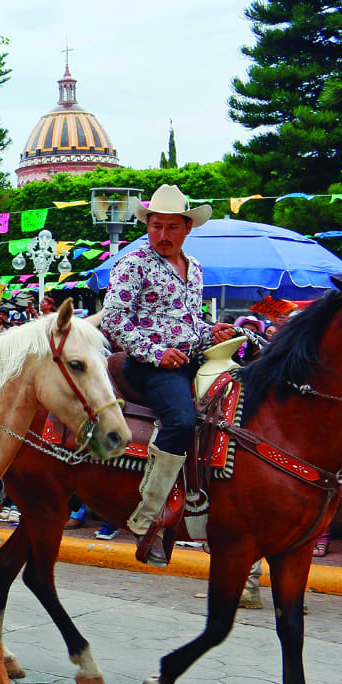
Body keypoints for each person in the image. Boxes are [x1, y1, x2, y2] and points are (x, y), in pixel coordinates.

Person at [100, 184, 237, 565]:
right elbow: (114, 319)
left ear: (187, 228)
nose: (162, 235)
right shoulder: (133, 263)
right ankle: (151, 517)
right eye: (156, 226)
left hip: (193, 359)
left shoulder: (194, 268)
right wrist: (157, 353)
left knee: (242, 405)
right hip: (148, 366)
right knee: (181, 420)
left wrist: (213, 331)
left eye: (171, 227)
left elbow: (188, 321)